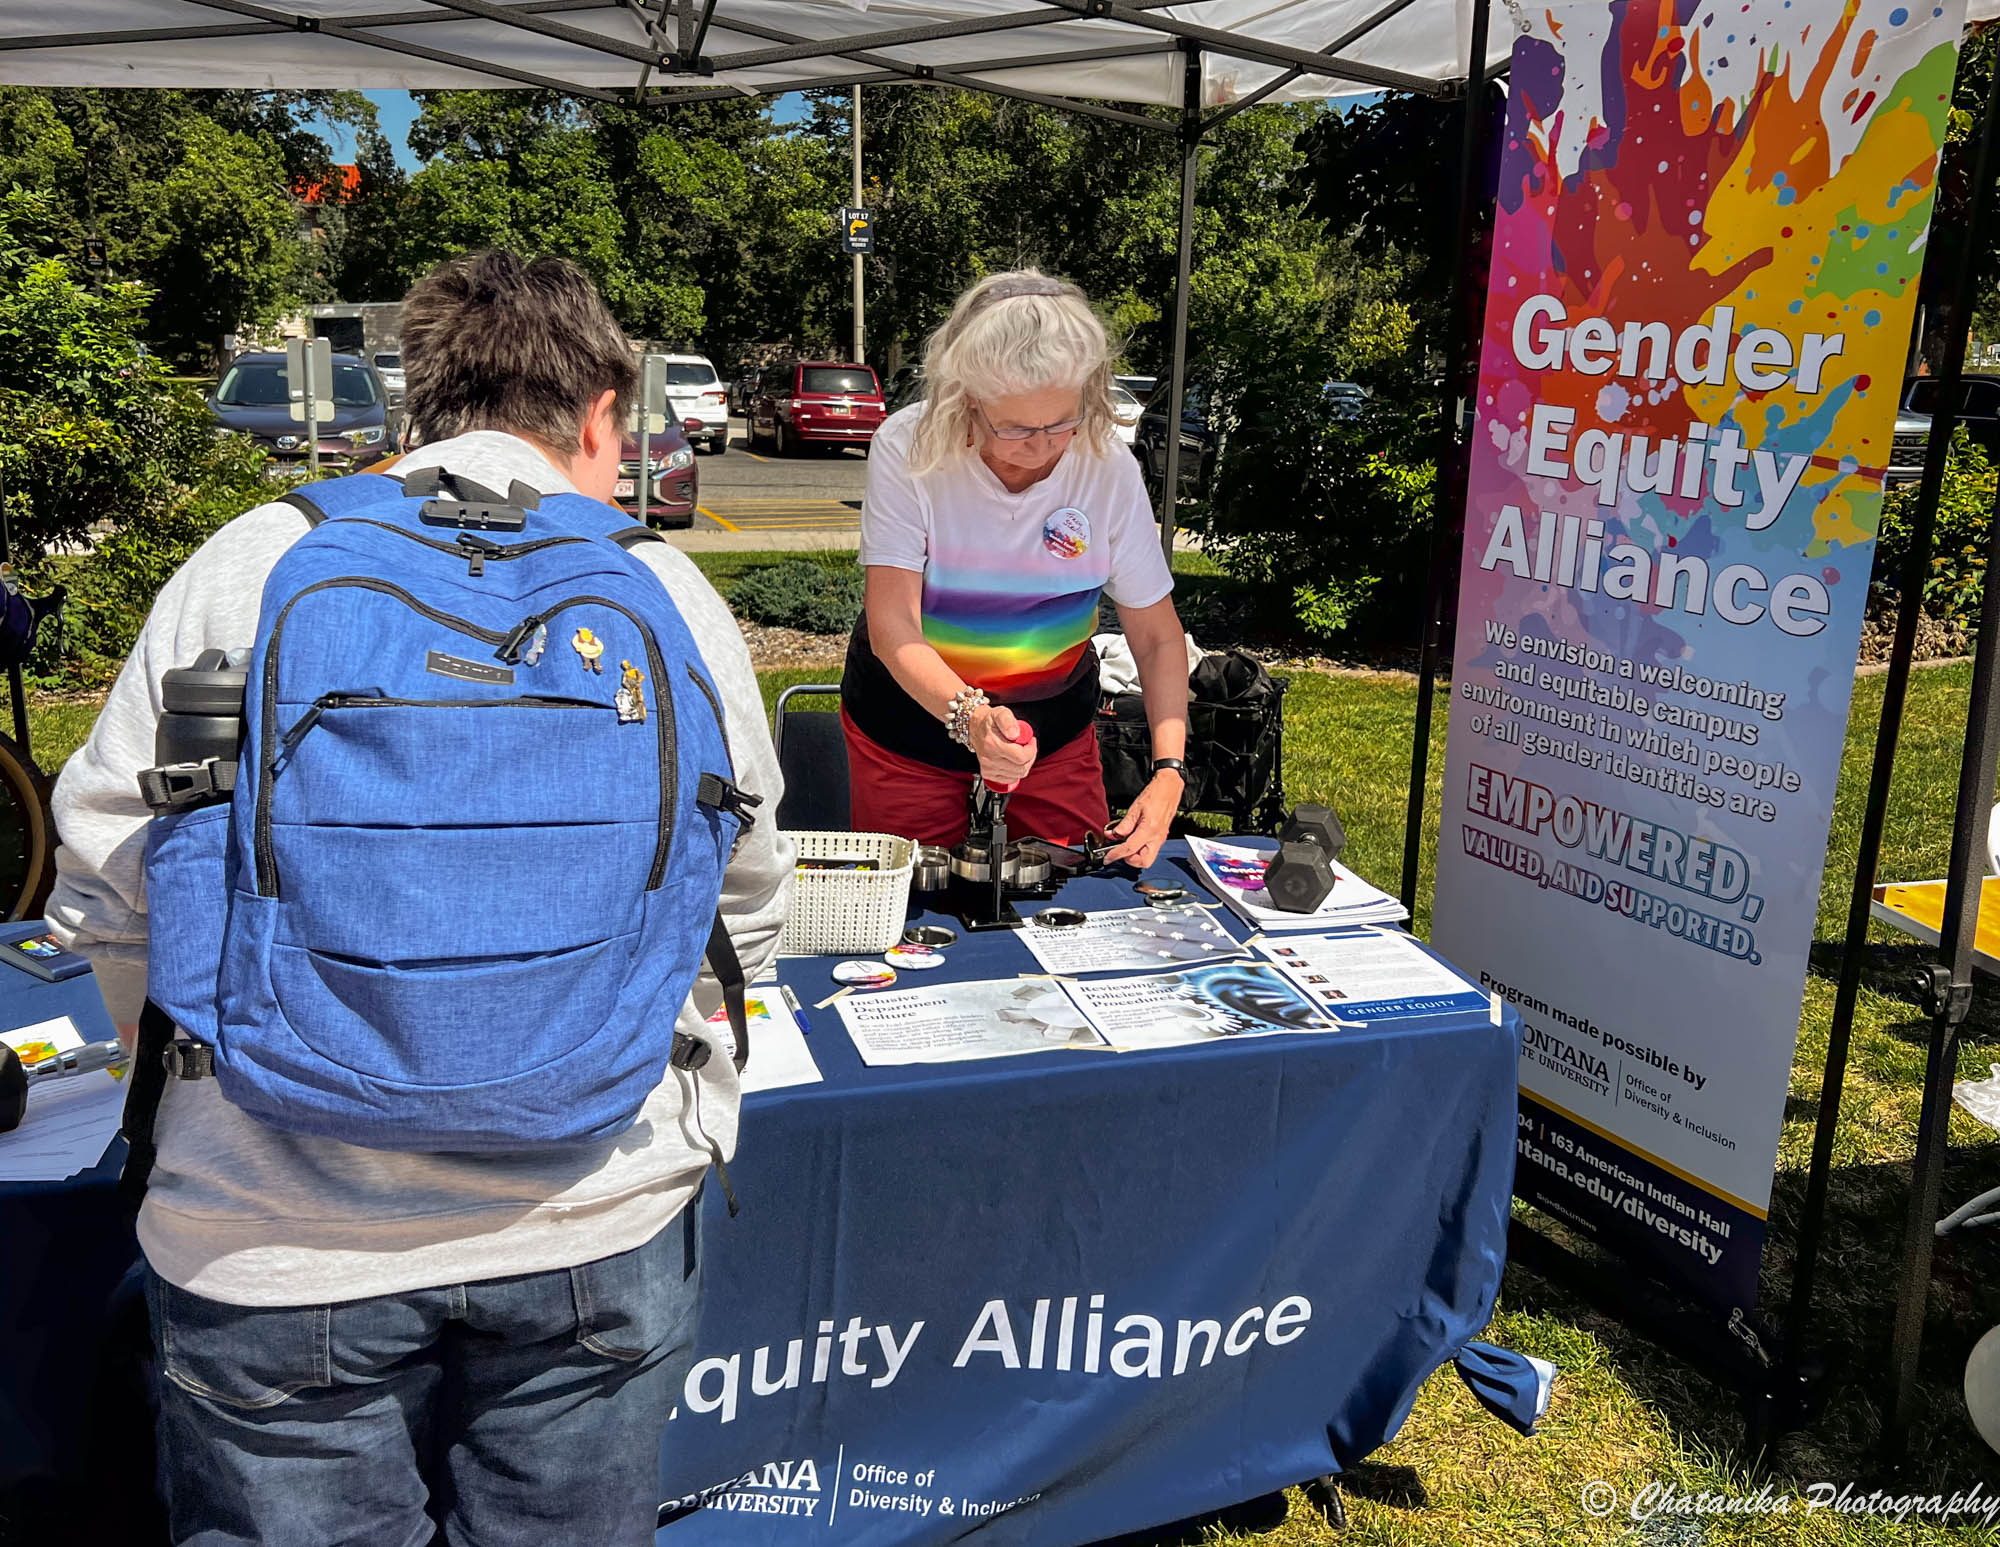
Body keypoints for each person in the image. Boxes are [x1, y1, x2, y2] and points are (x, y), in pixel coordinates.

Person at [46, 251, 794, 1547]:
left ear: (415, 400)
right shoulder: (662, 587)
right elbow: (746, 898)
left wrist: (197, 1059)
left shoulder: (250, 564)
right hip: (593, 1205)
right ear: (602, 414)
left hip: (274, 1227)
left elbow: (106, 884)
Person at [840, 270, 1191, 866]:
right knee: (909, 915)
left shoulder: (1107, 465)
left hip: (1054, 734)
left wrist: (1169, 771)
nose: (1045, 446)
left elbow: (1157, 637)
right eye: (1018, 428)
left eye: (1063, 422)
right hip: (908, 729)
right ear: (966, 400)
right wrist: (971, 716)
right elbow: (893, 625)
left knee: (1071, 900)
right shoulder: (910, 447)